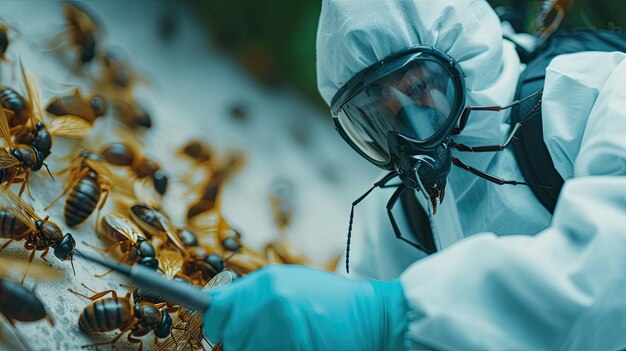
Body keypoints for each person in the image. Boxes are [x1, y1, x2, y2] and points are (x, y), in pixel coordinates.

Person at [204, 1, 626, 349]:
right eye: (377, 119)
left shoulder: (592, 96)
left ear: (465, 58)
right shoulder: (407, 215)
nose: (409, 134)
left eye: (421, 88)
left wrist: (396, 314)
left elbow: (608, 277)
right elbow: (356, 299)